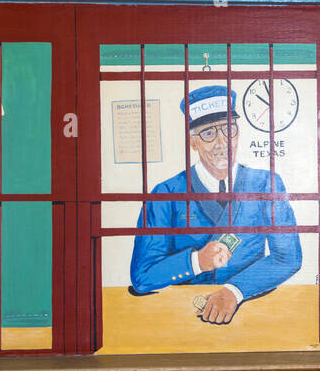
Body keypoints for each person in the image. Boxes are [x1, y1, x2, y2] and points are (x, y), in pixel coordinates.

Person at [128, 85, 302, 325]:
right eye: (208, 133)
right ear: (192, 141)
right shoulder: (165, 193)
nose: (222, 142)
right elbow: (142, 276)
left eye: (229, 130)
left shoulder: (265, 184)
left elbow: (288, 257)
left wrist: (235, 290)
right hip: (181, 319)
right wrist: (196, 261)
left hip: (253, 313)